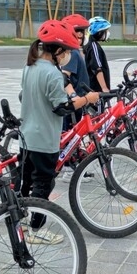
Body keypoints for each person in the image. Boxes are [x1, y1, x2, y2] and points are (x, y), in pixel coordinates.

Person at [18, 19, 99, 244]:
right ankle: (36, 229)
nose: (67, 56)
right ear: (59, 51)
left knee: (24, 183)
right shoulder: (52, 74)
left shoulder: (30, 66)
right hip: (44, 139)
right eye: (67, 52)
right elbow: (61, 107)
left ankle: (20, 223)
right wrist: (87, 99)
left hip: (26, 137)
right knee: (43, 185)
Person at [59, 13, 91, 182]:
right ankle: (69, 169)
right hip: (75, 103)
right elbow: (65, 77)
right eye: (81, 32)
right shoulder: (72, 52)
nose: (84, 35)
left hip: (79, 101)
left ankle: (75, 167)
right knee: (71, 135)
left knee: (75, 135)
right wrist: (73, 96)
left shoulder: (76, 51)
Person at [84, 16, 111, 93]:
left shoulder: (91, 45)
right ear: (99, 32)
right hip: (96, 89)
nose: (107, 33)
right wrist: (104, 88)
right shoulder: (94, 47)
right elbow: (97, 68)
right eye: (106, 31)